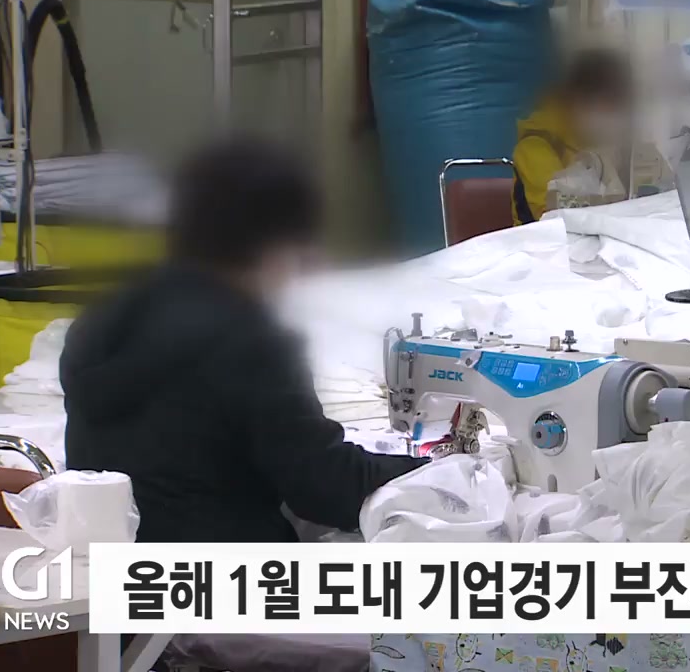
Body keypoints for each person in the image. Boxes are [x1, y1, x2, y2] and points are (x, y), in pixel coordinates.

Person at [62, 137, 427, 543]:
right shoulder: (251, 341)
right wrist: (436, 468)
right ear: (277, 242)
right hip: (227, 570)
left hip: (117, 564)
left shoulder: (98, 322)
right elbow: (326, 488)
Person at [512, 47, 631, 225]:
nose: (613, 115)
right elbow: (557, 217)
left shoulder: (608, 141)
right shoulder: (536, 147)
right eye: (607, 103)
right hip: (545, 240)